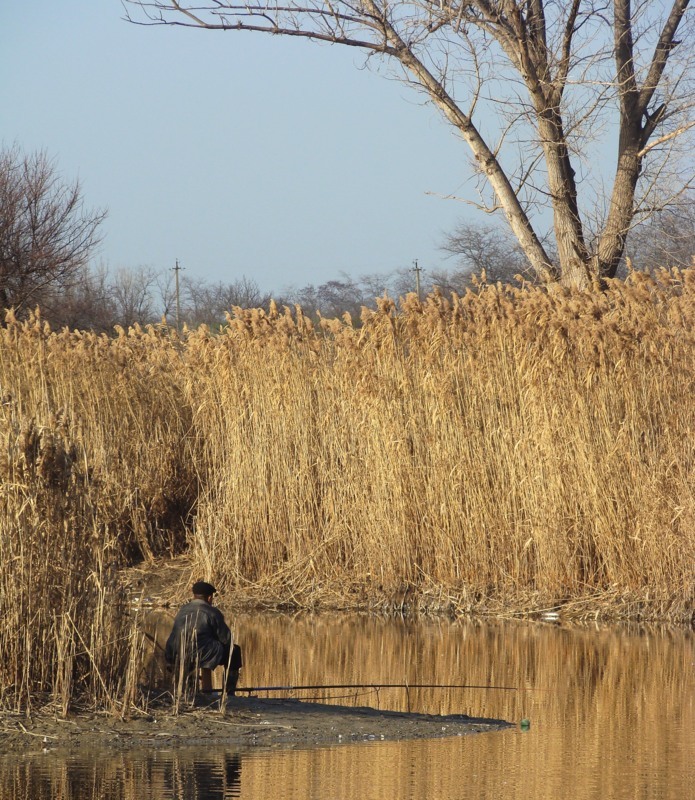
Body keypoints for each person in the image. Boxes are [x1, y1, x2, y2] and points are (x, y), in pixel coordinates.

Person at [165, 581, 242, 695]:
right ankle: (229, 692)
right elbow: (226, 639)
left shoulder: (183, 610)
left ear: (194, 596)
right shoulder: (212, 612)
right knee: (234, 651)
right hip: (200, 653)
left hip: (174, 651)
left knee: (193, 654)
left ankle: (189, 692)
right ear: (210, 597)